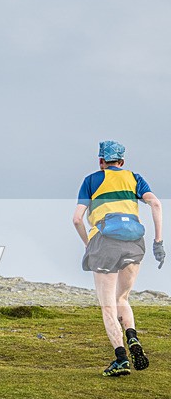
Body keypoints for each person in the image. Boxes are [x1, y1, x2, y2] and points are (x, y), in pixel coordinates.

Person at [72, 140, 164, 377]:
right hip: (135, 243)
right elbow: (155, 203)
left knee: (107, 305)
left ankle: (121, 359)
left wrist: (88, 244)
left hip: (104, 243)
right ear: (121, 162)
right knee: (122, 297)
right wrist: (158, 241)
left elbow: (77, 219)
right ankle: (132, 336)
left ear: (101, 161)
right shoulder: (134, 178)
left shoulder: (91, 180)